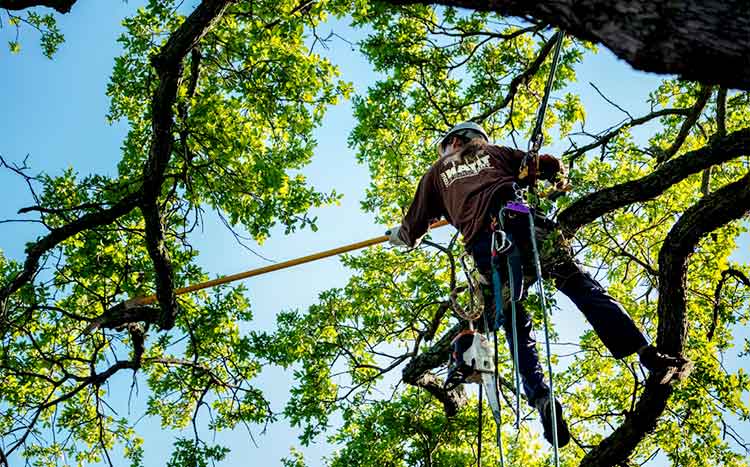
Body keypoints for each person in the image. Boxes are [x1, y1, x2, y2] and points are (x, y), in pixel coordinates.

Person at [387, 121, 691, 448]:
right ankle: (645, 350)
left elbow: (411, 230)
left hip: (487, 246)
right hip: (523, 223)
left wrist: (398, 236)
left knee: (515, 325)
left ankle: (540, 395)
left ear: (455, 141)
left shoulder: (436, 174)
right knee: (580, 286)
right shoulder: (495, 152)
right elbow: (548, 165)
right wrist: (556, 179)